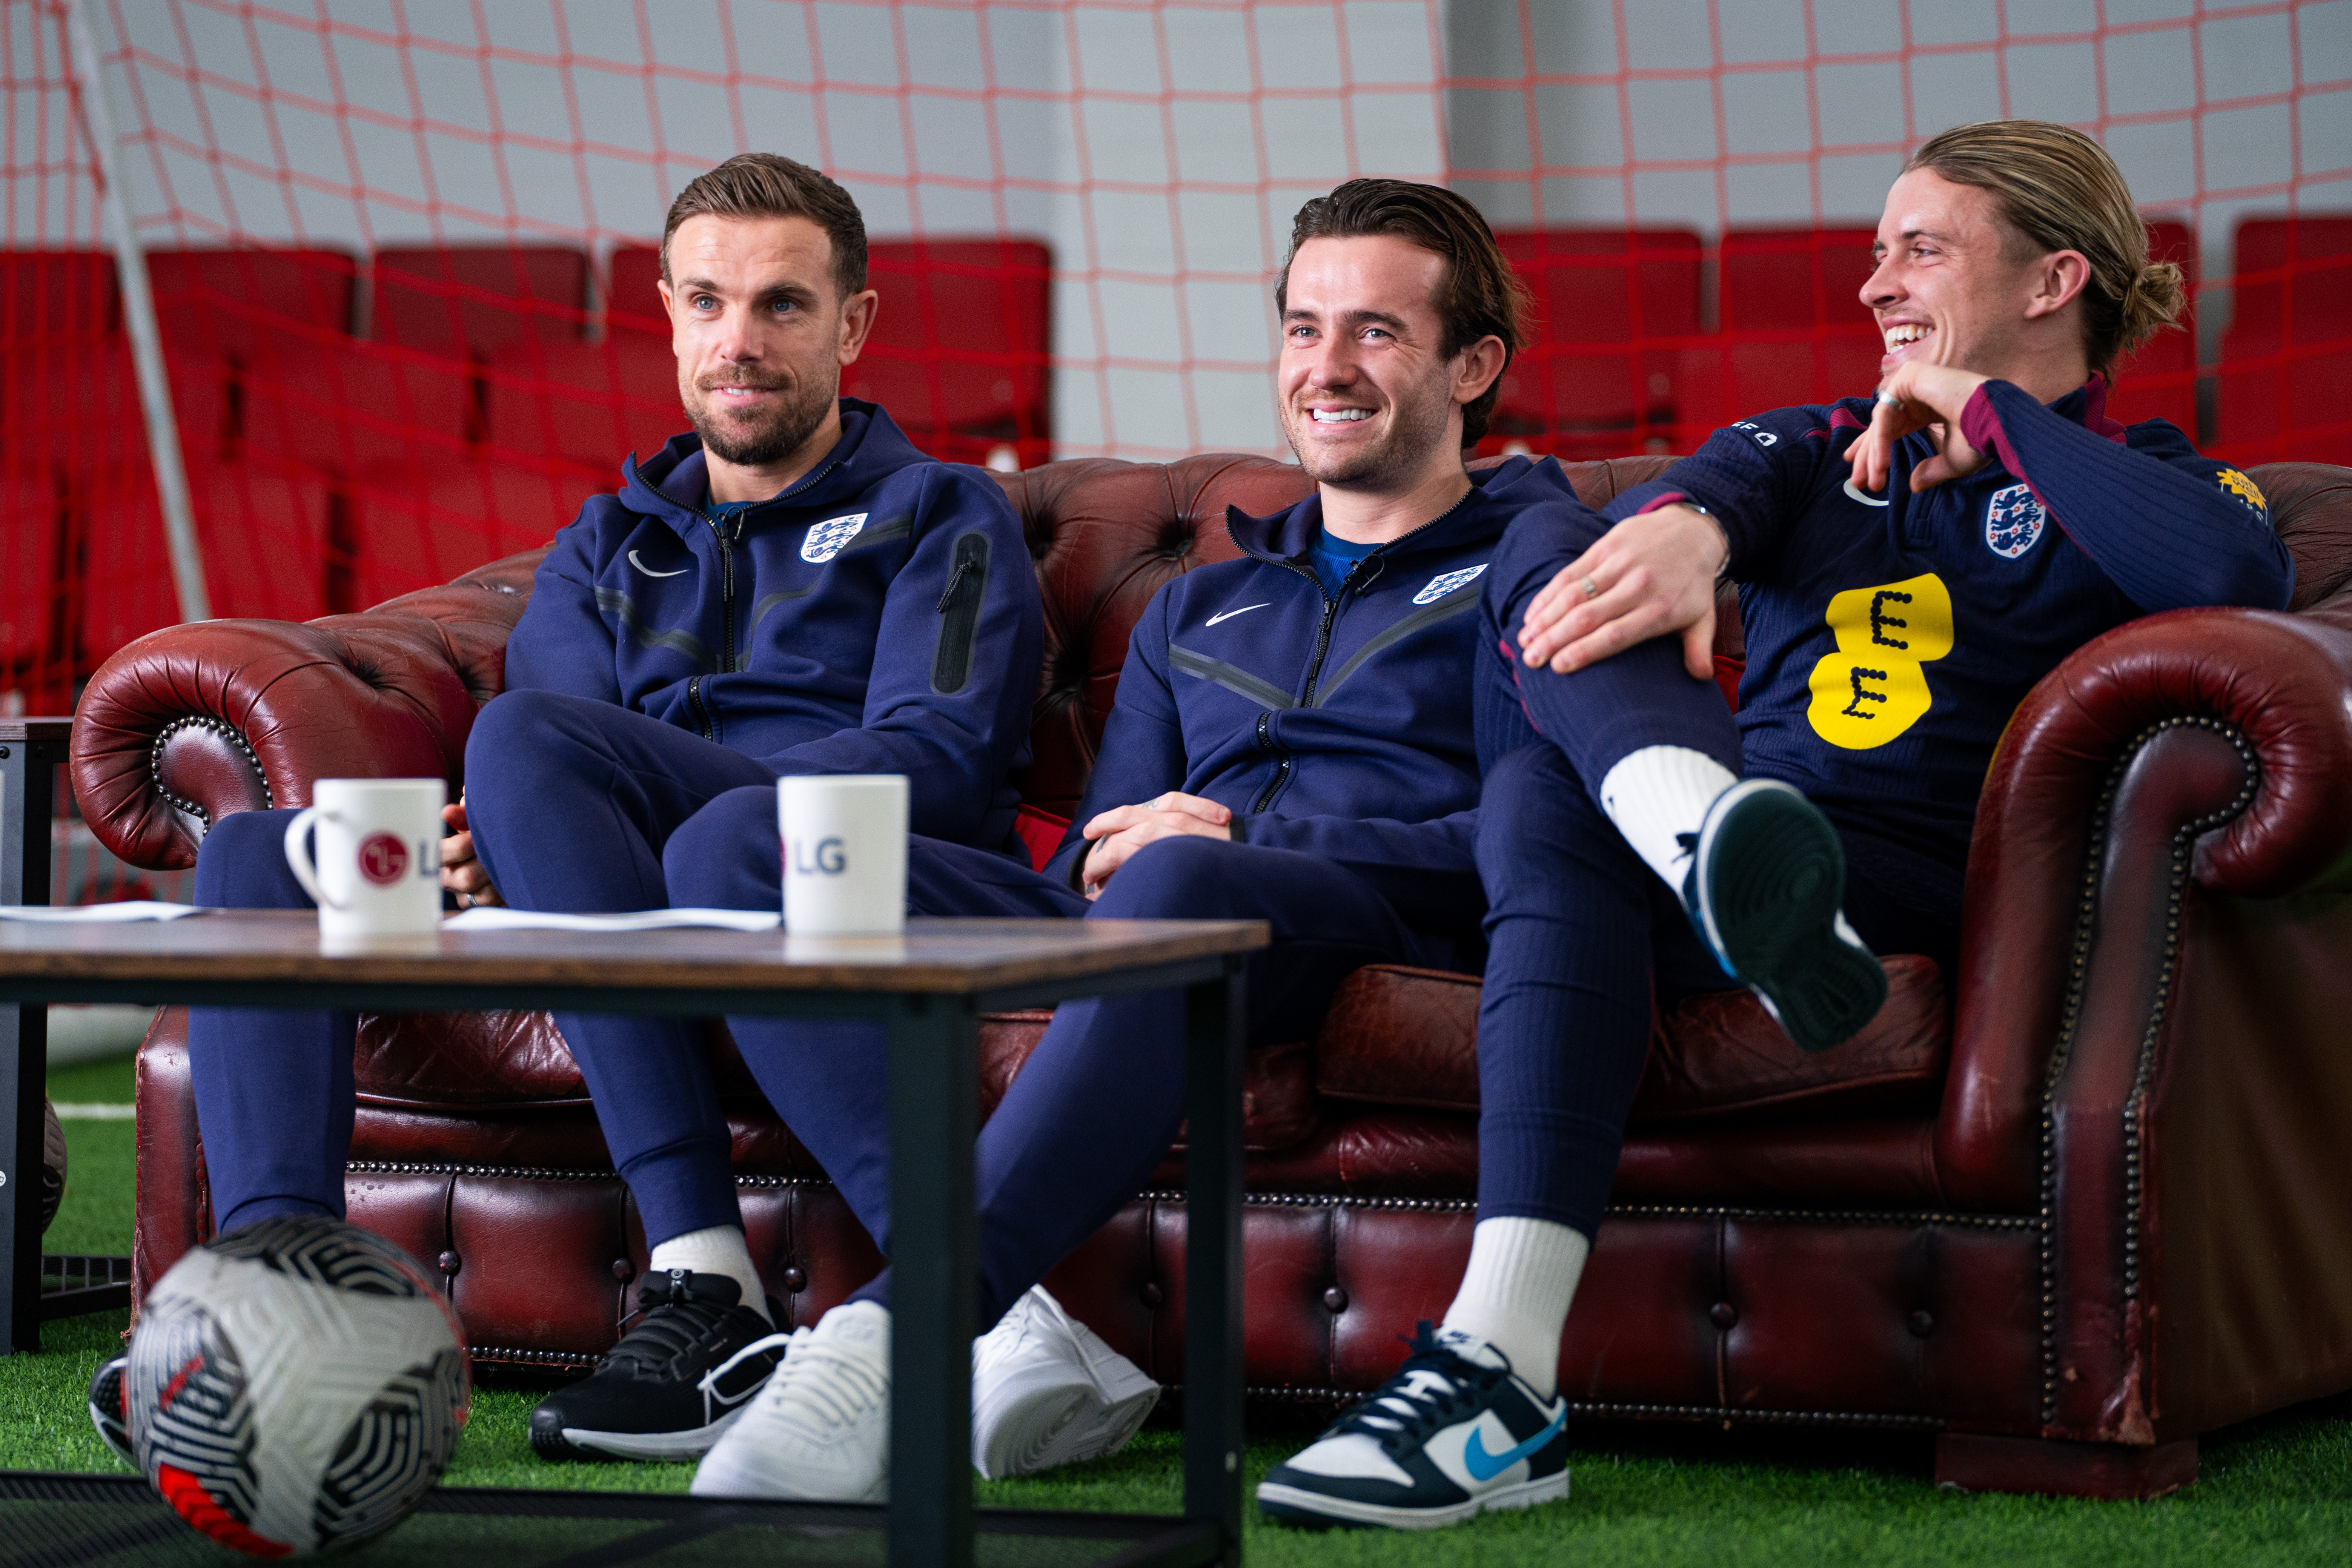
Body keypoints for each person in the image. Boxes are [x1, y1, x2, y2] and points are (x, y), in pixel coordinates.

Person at [1253, 120, 2296, 1531]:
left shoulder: (2165, 482)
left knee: (1536, 800)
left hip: (1906, 880)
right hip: (1726, 848)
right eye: (1875, 255)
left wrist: (1986, 414)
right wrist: (1686, 530)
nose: (1872, 288)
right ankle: (1697, 841)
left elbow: (2234, 568)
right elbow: (1707, 494)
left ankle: (1498, 1375)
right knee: (1544, 650)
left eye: (1917, 250)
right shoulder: (1811, 450)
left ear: (2056, 282)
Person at [87, 154, 1049, 1468]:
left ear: (853, 325)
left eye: (780, 305)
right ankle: (269, 1295)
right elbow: (537, 765)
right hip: (582, 870)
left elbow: (934, 761)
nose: (739, 340)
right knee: (261, 847)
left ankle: (707, 1286)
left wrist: (557, 811)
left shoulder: (942, 513)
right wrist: (510, 837)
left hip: (819, 871)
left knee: (544, 754)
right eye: (707, 302)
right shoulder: (611, 539)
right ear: (666, 313)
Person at [668, 177, 1613, 1502]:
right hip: (1166, 911)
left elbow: (1523, 846)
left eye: (1376, 334)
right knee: (735, 846)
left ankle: (896, 1335)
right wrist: (1127, 860)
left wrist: (1238, 828)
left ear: (1473, 365)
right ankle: (1015, 1329)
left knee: (1176, 866)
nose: (1326, 369)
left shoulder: (1539, 561)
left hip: (1370, 909)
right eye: (1302, 328)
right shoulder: (1197, 606)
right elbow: (1102, 859)